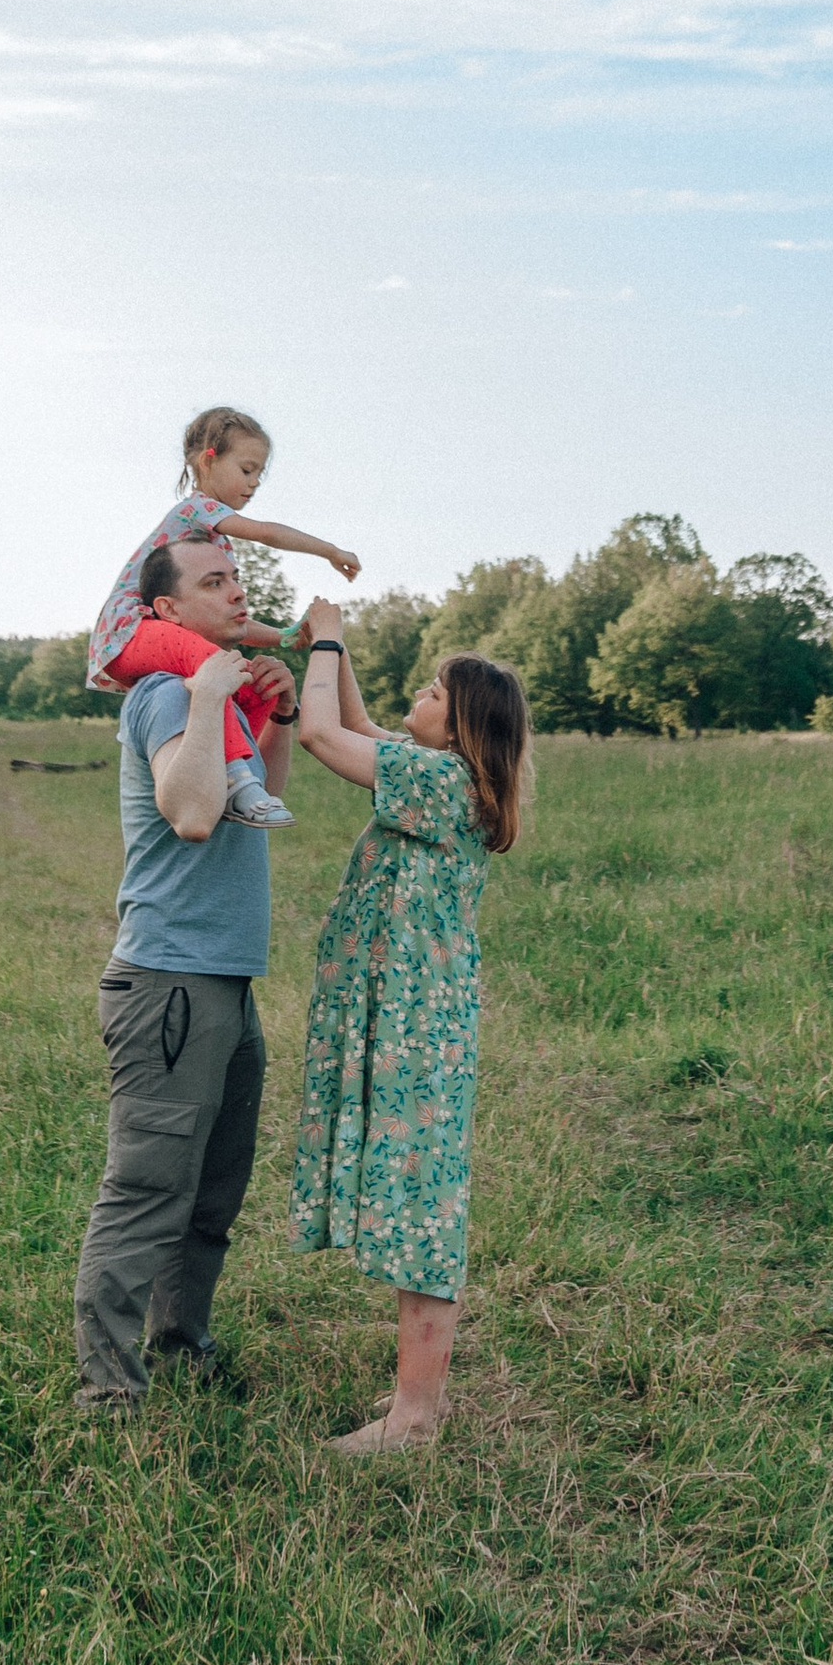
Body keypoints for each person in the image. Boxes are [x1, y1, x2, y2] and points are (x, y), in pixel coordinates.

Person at [285, 601, 529, 1453]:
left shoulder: (439, 782)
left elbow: (320, 735)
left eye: (430, 692)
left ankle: (416, 1419)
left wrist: (323, 642)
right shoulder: (435, 771)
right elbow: (351, 721)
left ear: (460, 726)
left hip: (415, 1033)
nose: (412, 701)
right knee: (411, 1199)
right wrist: (331, 638)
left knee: (421, 1208)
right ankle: (412, 1409)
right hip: (412, 1024)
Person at [73, 534, 287, 1413]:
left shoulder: (214, 702)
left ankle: (180, 1339)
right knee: (148, 1189)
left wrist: (269, 718)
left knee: (212, 1188)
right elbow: (195, 813)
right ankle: (107, 1393)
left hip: (224, 983)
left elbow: (256, 811)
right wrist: (206, 694)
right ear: (165, 612)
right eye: (213, 581)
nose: (236, 590)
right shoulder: (166, 693)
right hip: (169, 983)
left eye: (238, 576)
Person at [87, 406, 361, 828]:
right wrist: (330, 551)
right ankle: (235, 780)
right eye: (247, 469)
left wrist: (288, 637)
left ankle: (242, 777)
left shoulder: (216, 544)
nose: (253, 484)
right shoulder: (197, 510)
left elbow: (233, 624)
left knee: (252, 684)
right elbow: (267, 532)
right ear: (208, 461)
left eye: (259, 475)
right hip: (128, 631)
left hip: (156, 635)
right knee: (216, 664)